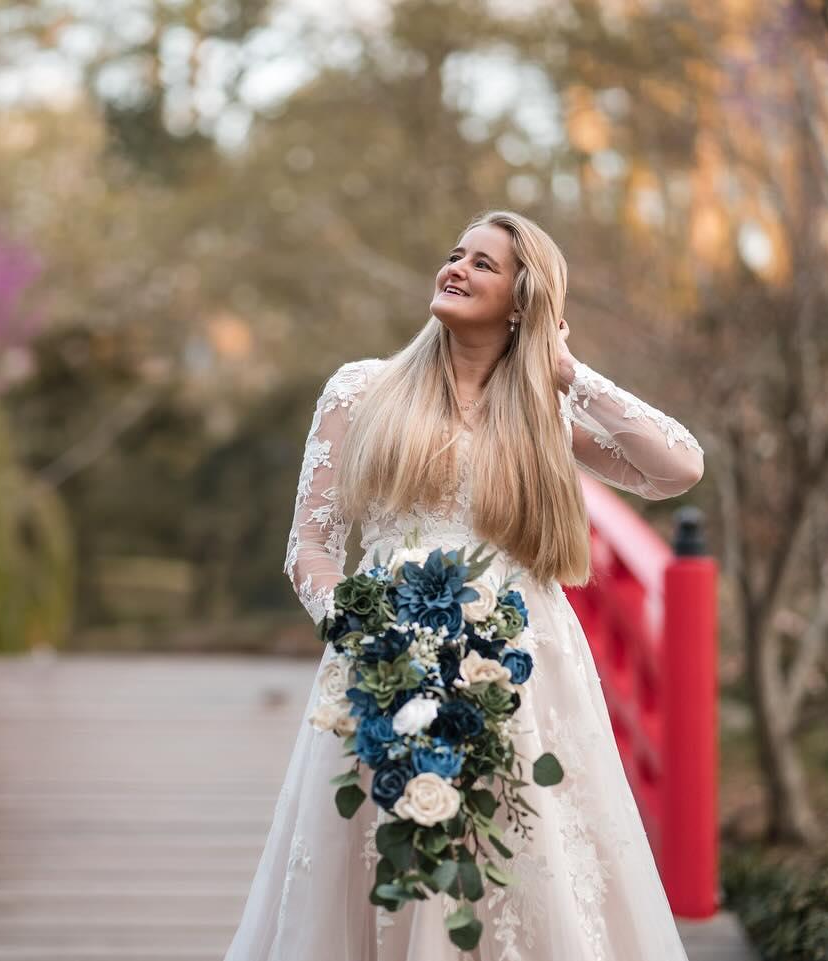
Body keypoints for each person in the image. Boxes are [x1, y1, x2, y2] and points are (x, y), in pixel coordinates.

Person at [223, 210, 704, 960]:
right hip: (382, 662)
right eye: (455, 254)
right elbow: (309, 546)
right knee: (384, 850)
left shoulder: (545, 409)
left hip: (519, 670)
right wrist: (363, 638)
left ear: (524, 300)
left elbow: (677, 467)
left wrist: (569, 372)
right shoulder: (361, 389)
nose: (457, 268)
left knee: (518, 854)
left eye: (484, 263)